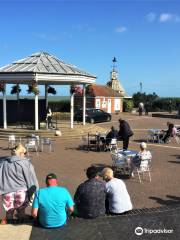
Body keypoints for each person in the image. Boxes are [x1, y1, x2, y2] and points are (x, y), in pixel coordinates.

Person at [0, 144, 39, 224]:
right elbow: (31, 179)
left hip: (7, 192)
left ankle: (9, 228)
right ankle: (20, 224)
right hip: (21, 192)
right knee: (21, 212)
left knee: (9, 213)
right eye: (25, 153)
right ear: (21, 154)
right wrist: (35, 190)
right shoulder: (26, 163)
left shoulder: (3, 163)